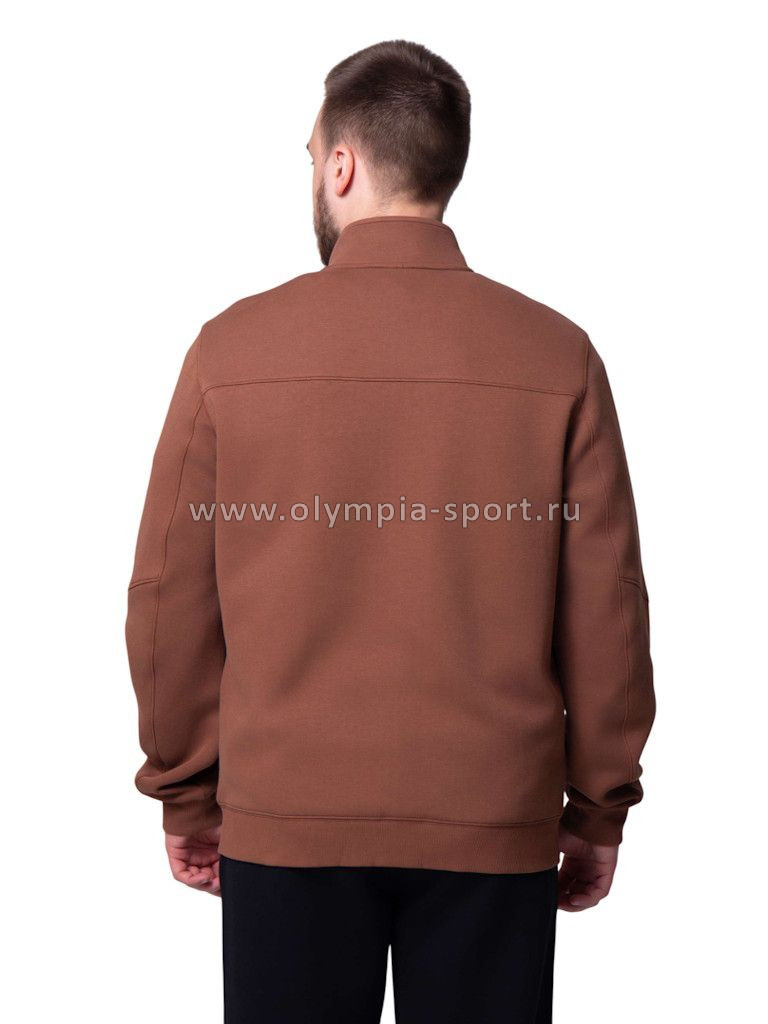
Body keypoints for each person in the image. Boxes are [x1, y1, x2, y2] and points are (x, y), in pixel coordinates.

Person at [125, 38, 655, 1024]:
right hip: (492, 816)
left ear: (341, 165)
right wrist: (598, 806)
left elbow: (168, 597)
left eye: (310, 156)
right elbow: (608, 609)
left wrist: (186, 791)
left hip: (287, 819)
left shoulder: (229, 351)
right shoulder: (558, 356)